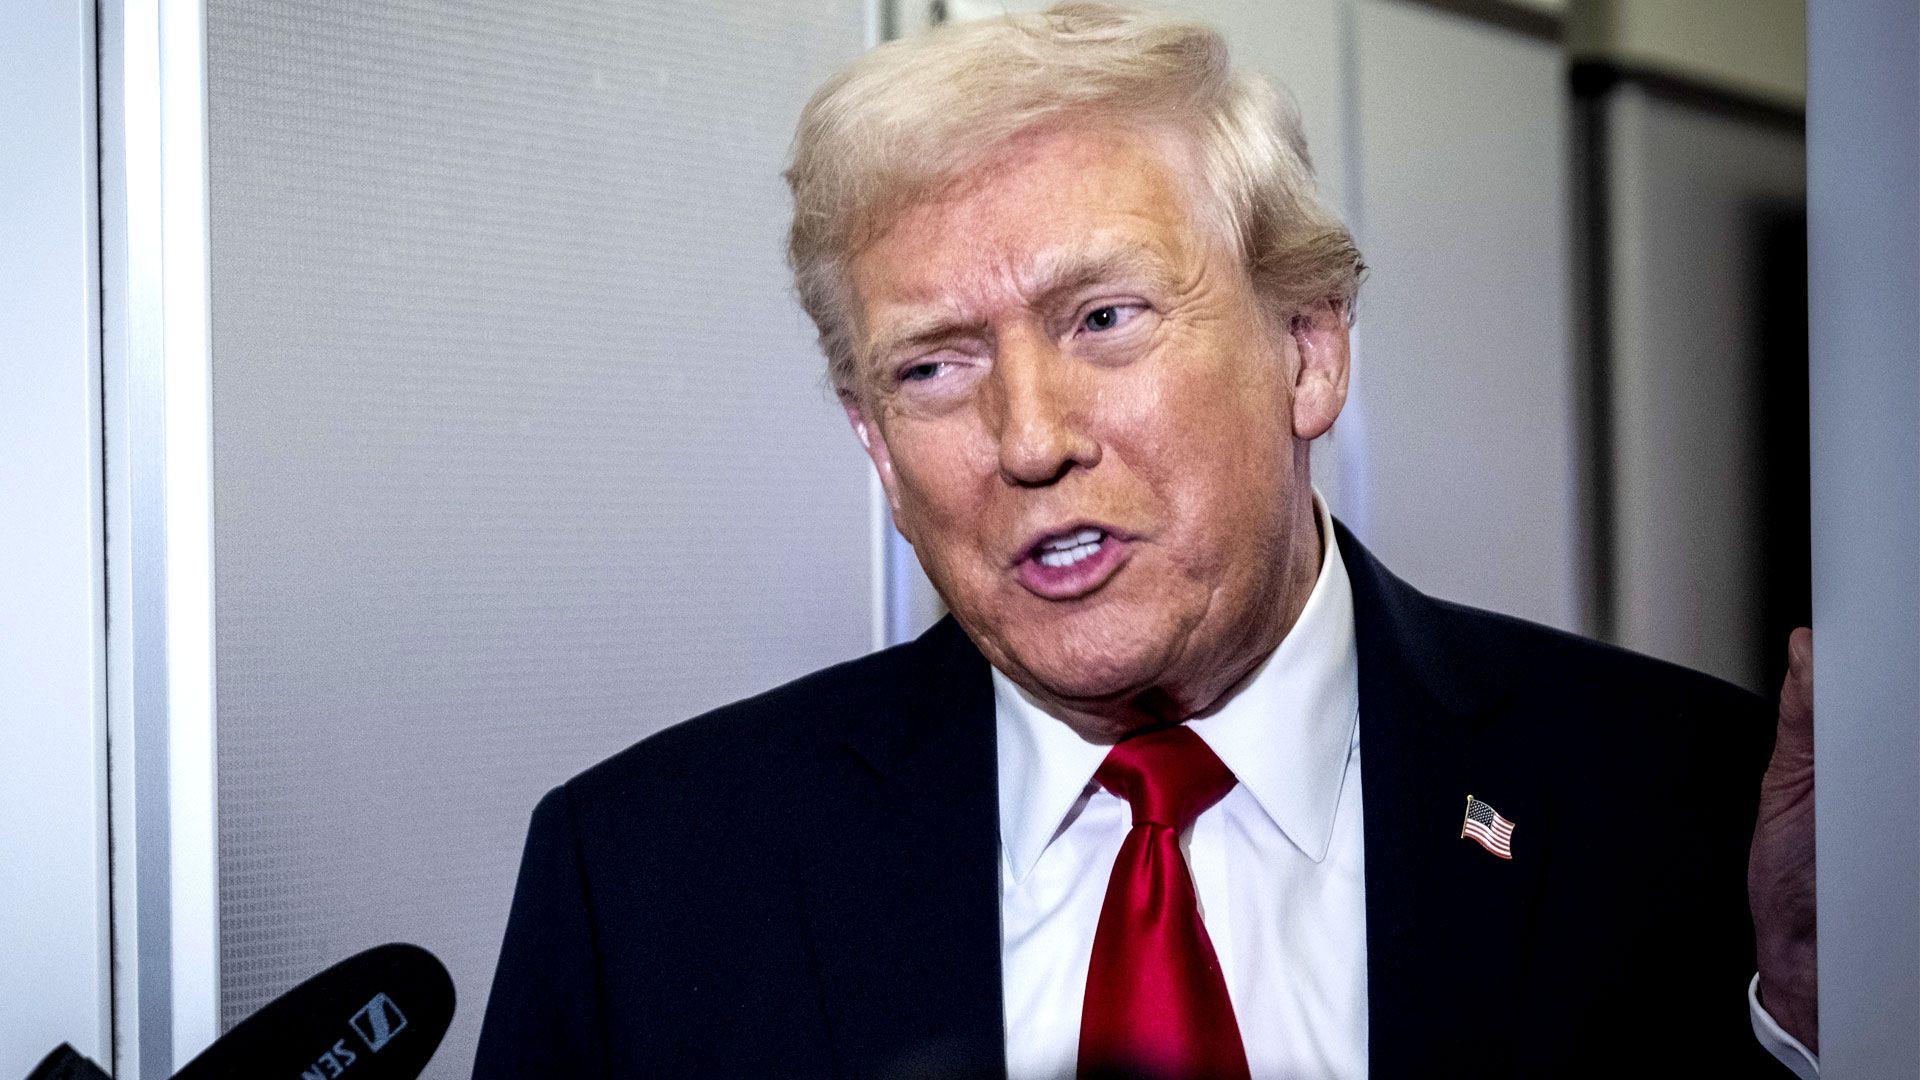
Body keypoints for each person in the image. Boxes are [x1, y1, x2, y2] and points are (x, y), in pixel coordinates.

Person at [472, 4, 1818, 1077]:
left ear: (1309, 349)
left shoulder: (1685, 802)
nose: (1030, 437)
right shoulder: (645, 881)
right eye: (933, 368)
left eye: (1103, 318)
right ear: (874, 446)